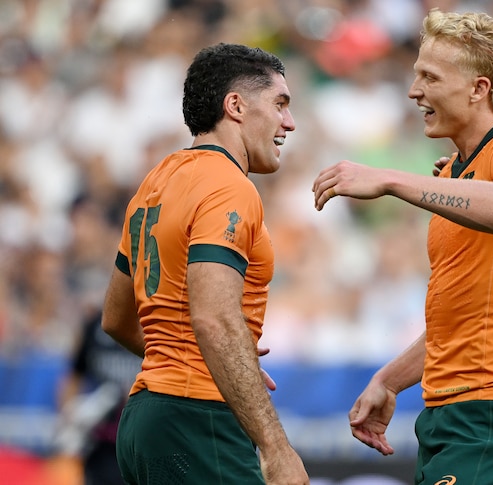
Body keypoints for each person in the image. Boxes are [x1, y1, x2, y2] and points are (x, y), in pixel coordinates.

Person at [312, 8, 493, 485]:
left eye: (430, 77)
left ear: (479, 88)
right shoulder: (455, 172)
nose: (414, 92)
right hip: (452, 413)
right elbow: (463, 317)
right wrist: (389, 381)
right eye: (416, 76)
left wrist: (389, 178)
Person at [101, 42, 309, 485]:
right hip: (198, 416)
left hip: (144, 418)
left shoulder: (155, 182)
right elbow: (214, 319)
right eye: (280, 104)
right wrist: (277, 448)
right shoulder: (229, 186)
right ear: (235, 105)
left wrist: (228, 361)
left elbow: (116, 319)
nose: (289, 122)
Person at [54, 309, 142, 485]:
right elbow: (73, 376)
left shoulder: (158, 322)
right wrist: (70, 418)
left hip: (140, 442)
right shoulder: (95, 324)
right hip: (101, 442)